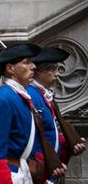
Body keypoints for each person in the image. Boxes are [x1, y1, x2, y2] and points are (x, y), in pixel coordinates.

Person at [0, 43, 67, 184]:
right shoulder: (3, 98)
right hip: (9, 175)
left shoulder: (17, 95)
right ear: (10, 68)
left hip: (22, 171)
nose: (33, 66)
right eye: (26, 62)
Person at [27, 47, 86, 183]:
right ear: (38, 71)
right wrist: (45, 165)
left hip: (49, 168)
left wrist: (69, 142)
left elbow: (49, 132)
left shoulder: (43, 94)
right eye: (52, 69)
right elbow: (33, 136)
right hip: (39, 170)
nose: (57, 74)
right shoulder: (32, 95)